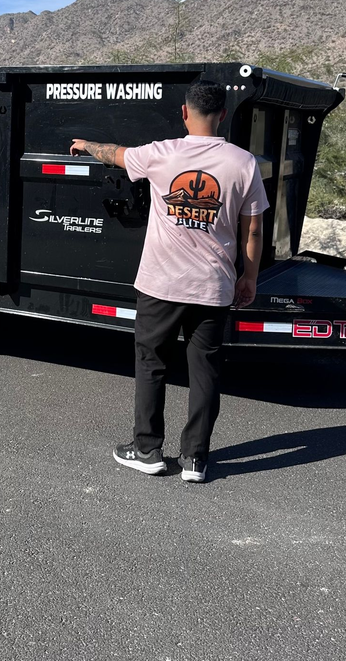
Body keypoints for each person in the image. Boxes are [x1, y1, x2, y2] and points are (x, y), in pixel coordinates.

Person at [69, 79, 269, 483]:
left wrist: (86, 145)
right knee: (205, 370)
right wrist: (248, 278)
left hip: (161, 285)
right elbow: (252, 232)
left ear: (184, 112)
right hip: (213, 285)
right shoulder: (243, 163)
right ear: (223, 115)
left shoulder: (161, 154)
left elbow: (116, 155)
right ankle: (195, 459)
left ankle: (147, 450)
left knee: (151, 364)